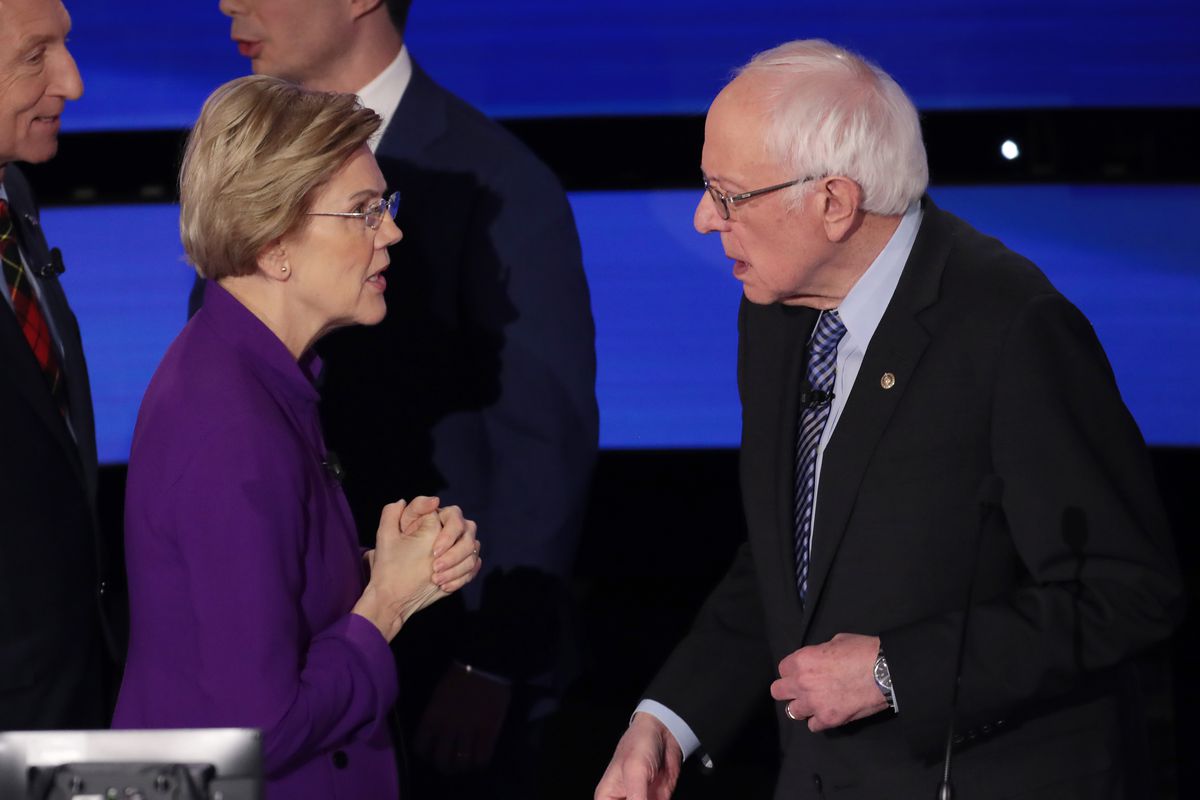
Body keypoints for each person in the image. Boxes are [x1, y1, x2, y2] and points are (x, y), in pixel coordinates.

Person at [595, 39, 1183, 800]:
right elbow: (790, 561)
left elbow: (1124, 593)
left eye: (730, 194)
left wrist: (892, 673)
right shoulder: (774, 316)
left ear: (834, 203)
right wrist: (667, 720)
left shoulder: (1011, 328)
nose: (705, 218)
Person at [210, 2, 599, 796]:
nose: (229, 4)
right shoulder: (253, 169)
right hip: (282, 656)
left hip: (437, 657)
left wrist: (490, 660)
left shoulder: (497, 180)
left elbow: (544, 443)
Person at [112, 75, 483, 800]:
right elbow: (260, 730)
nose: (394, 232)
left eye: (387, 205)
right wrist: (387, 602)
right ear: (274, 243)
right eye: (365, 212)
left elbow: (250, 602)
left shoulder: (250, 375)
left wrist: (369, 563)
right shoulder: (229, 430)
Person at [0, 0, 120, 731]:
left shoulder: (14, 195)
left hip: (77, 685)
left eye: (65, 47)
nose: (73, 83)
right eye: (35, 54)